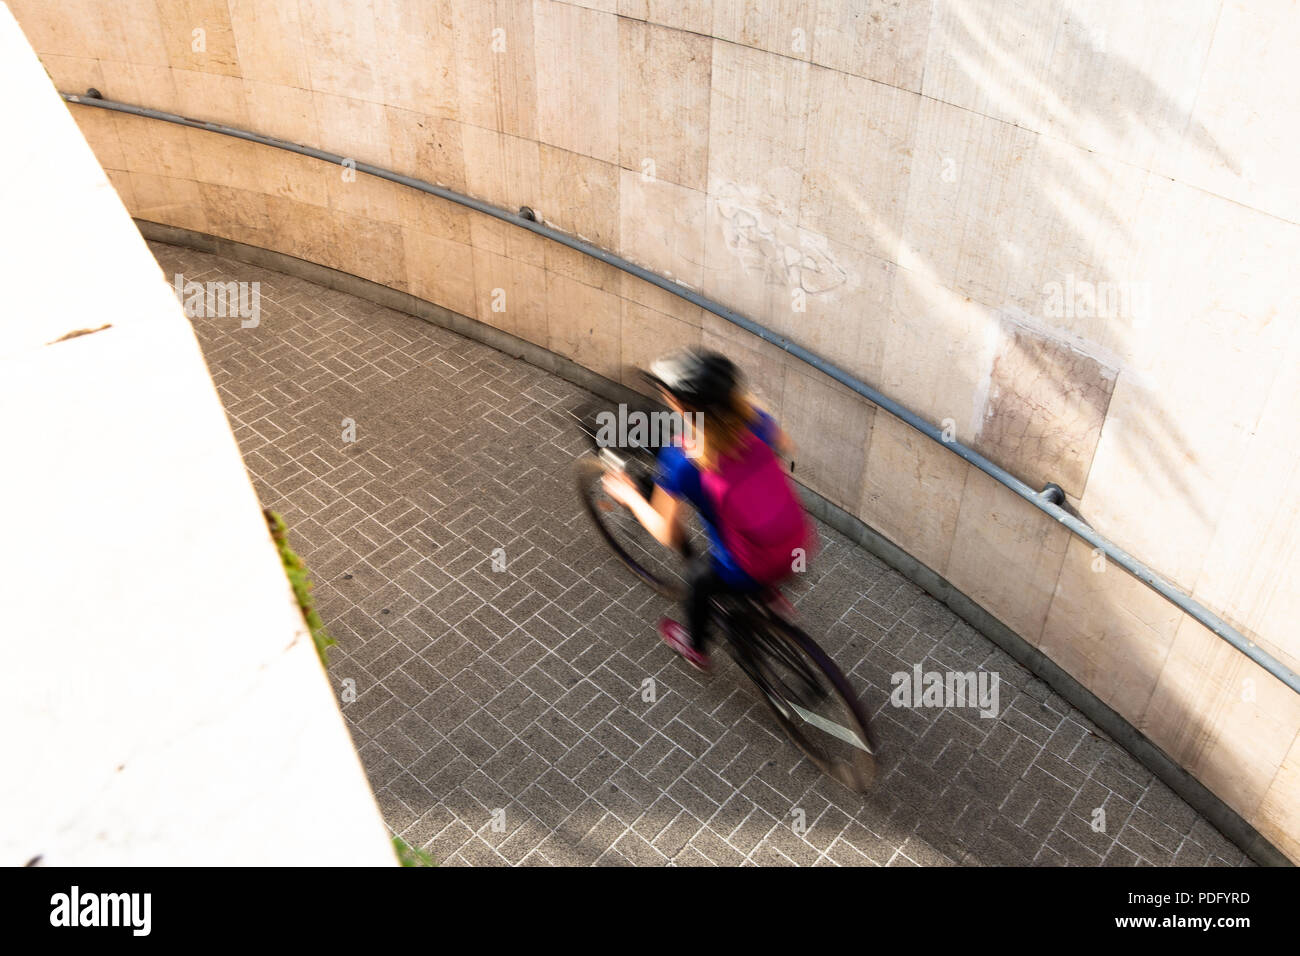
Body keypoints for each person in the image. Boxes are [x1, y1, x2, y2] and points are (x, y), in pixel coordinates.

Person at [601, 349, 810, 672]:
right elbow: (785, 446)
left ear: (681, 404)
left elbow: (665, 532)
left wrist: (631, 495)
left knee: (699, 580)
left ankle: (694, 646)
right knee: (745, 539)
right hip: (799, 545)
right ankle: (769, 594)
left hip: (750, 566)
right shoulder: (758, 422)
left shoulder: (683, 460)